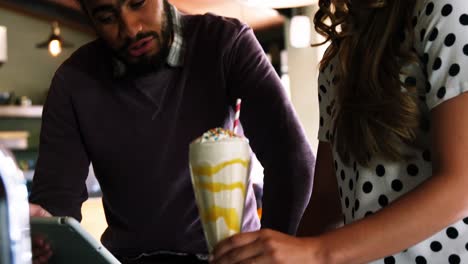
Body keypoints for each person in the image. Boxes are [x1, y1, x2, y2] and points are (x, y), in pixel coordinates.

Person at [29, 0, 315, 263]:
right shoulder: (74, 82)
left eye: (138, 3)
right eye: (106, 17)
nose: (131, 28)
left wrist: (268, 249)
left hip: (230, 256)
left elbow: (291, 160)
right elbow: (56, 208)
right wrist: (42, 231)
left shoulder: (225, 42)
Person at [211, 0, 468, 263]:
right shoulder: (339, 57)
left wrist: (316, 252)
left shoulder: (447, 8)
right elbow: (325, 199)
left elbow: (461, 184)